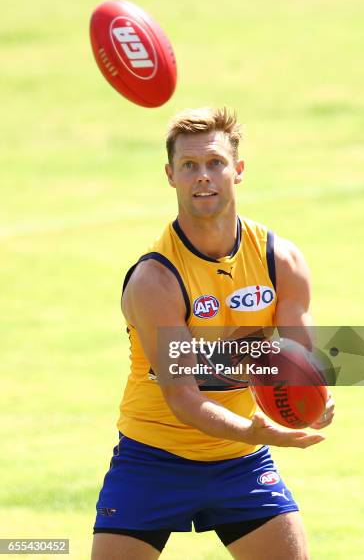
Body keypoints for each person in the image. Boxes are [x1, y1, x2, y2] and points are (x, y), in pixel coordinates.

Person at [91, 107, 335, 560]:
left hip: (239, 463)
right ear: (171, 176)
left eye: (215, 163)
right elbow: (183, 396)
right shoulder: (156, 279)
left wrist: (316, 399)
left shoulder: (281, 261)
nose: (203, 176)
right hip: (152, 456)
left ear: (237, 170)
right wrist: (259, 431)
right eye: (189, 166)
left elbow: (302, 358)